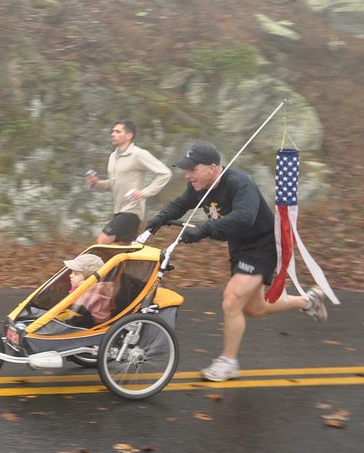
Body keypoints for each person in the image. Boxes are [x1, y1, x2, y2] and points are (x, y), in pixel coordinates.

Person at [145, 141, 328, 382]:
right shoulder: (199, 186)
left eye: (193, 169)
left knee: (231, 299)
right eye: (187, 169)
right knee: (253, 308)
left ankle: (228, 362)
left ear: (212, 168)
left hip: (263, 245)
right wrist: (158, 220)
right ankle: (307, 301)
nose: (188, 174)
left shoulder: (239, 184)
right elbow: (181, 204)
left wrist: (203, 230)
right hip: (241, 247)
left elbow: (244, 217)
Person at [86, 120, 172, 244]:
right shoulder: (112, 156)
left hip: (132, 210)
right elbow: (113, 184)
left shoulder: (138, 154)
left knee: (103, 240)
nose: (112, 134)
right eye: (112, 131)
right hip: (118, 211)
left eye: (117, 131)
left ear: (129, 135)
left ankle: (96, 264)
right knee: (126, 251)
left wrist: (144, 192)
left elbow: (165, 173)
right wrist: (96, 183)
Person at [60, 253, 119, 327]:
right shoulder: (79, 289)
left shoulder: (98, 296)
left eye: (76, 273)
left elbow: (101, 320)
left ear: (89, 278)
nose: (70, 275)